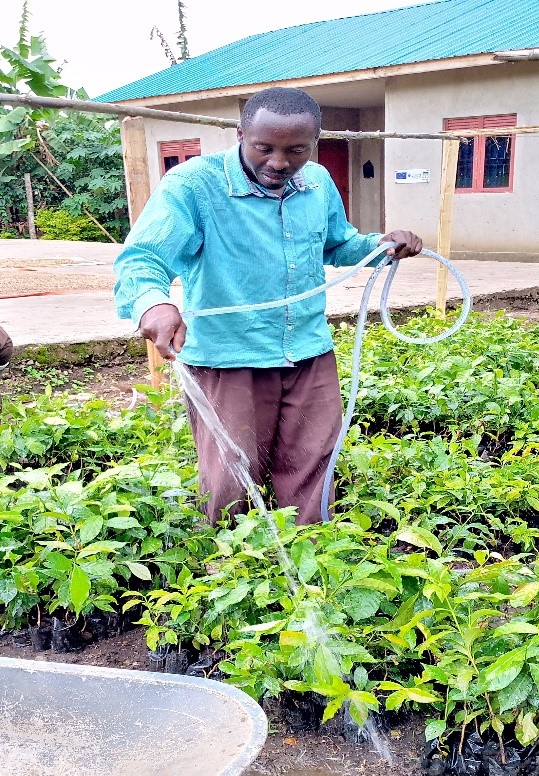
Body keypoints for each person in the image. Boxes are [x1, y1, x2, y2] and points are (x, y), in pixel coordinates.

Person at [114, 87, 422, 524]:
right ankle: (228, 571)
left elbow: (339, 244)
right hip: (228, 355)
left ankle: (312, 560)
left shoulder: (316, 183)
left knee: (314, 464)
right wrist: (154, 305)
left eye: (296, 150)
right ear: (240, 133)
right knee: (230, 477)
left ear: (314, 142)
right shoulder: (194, 185)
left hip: (308, 350)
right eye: (264, 148)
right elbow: (143, 256)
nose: (279, 162)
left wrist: (382, 245)